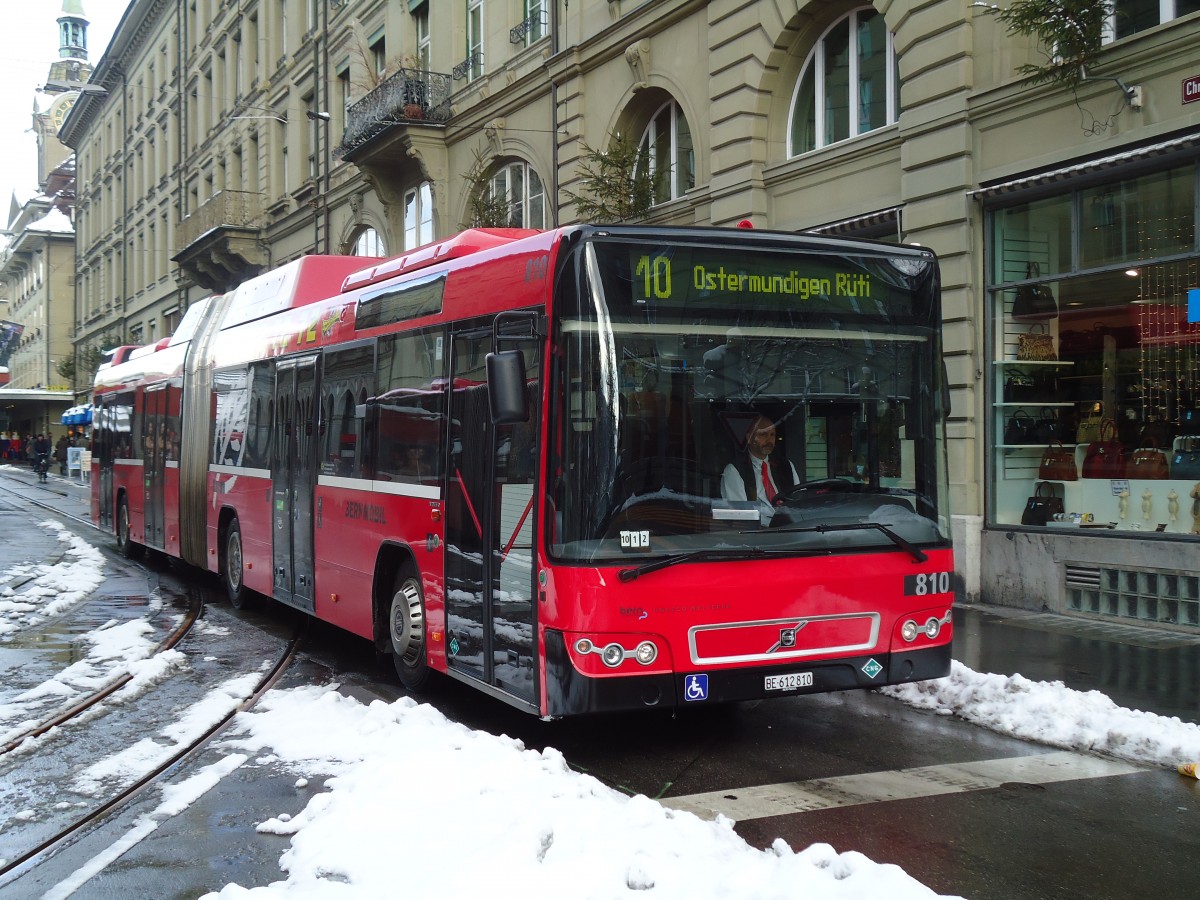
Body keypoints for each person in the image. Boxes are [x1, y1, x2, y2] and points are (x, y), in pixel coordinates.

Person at [720, 413, 799, 524]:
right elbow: (741, 516)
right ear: (749, 437)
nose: (769, 440)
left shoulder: (786, 465)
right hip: (759, 531)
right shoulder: (734, 470)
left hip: (790, 527)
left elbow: (798, 500)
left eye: (772, 434)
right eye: (763, 434)